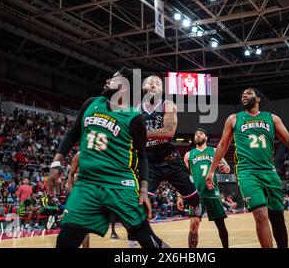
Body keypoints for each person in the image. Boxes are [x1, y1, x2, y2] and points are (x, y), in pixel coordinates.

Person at [48, 68, 169, 248]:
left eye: (113, 79)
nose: (107, 81)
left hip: (119, 185)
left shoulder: (134, 118)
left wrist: (143, 190)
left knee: (148, 241)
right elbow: (72, 134)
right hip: (87, 184)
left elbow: (142, 157)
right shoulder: (91, 103)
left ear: (125, 87)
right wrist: (56, 163)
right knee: (65, 239)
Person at [206, 87, 289, 248]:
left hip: (269, 171)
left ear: (258, 99)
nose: (244, 96)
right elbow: (222, 145)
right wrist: (211, 171)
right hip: (246, 171)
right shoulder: (234, 119)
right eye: (242, 95)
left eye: (248, 93)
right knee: (261, 214)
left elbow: (288, 139)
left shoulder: (272, 118)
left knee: (277, 217)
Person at [139, 75, 201, 220]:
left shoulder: (168, 105)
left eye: (157, 84)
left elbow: (168, 133)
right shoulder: (136, 109)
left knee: (193, 198)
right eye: (150, 83)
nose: (153, 86)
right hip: (150, 163)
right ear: (143, 88)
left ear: (162, 90)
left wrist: (140, 133)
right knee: (141, 203)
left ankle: (197, 209)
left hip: (171, 160)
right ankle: (136, 239)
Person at [183, 128, 230, 248]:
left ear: (206, 137)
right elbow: (183, 176)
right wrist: (180, 195)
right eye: (196, 134)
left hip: (212, 193)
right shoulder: (189, 155)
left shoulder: (214, 151)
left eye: (201, 133)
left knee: (220, 225)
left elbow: (227, 168)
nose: (198, 135)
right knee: (194, 224)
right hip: (196, 194)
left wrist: (224, 168)